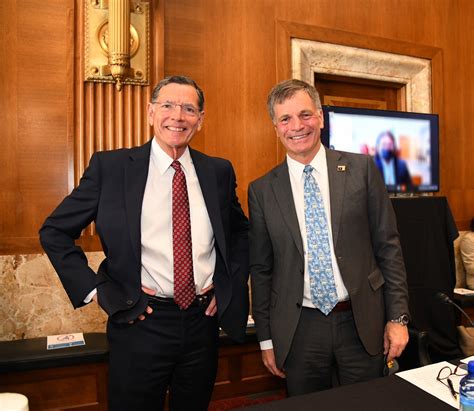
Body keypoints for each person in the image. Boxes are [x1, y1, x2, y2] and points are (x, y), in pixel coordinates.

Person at [39, 75, 249, 410]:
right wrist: (96, 289)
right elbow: (54, 231)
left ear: (200, 119)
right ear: (151, 112)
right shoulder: (112, 167)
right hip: (140, 321)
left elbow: (240, 233)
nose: (177, 116)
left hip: (202, 323)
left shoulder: (218, 172)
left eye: (188, 108)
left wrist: (228, 285)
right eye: (167, 105)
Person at [248, 79, 409, 396]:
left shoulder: (361, 170)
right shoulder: (262, 190)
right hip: (299, 330)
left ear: (320, 117)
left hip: (361, 321)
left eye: (305, 114)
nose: (297, 126)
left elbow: (389, 249)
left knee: (368, 405)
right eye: (286, 119)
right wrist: (266, 339)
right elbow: (262, 270)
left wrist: (398, 319)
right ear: (275, 126)